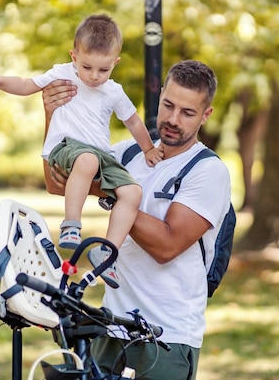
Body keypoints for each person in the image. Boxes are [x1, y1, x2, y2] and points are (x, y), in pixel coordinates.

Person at [41, 60, 232, 380]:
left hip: (165, 338)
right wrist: (52, 116)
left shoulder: (207, 170)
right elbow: (55, 182)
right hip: (110, 328)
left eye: (187, 112)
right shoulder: (128, 154)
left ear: (206, 115)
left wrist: (115, 193)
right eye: (168, 105)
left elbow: (167, 245)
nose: (172, 119)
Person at [0, 14, 163, 288]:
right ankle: (71, 224)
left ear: (115, 62)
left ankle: (107, 251)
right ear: (74, 56)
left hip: (102, 155)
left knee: (133, 192)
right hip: (67, 149)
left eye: (104, 69)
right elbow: (27, 84)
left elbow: (133, 120)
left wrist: (147, 148)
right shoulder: (62, 73)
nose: (94, 76)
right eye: (87, 67)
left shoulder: (113, 91)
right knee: (86, 160)